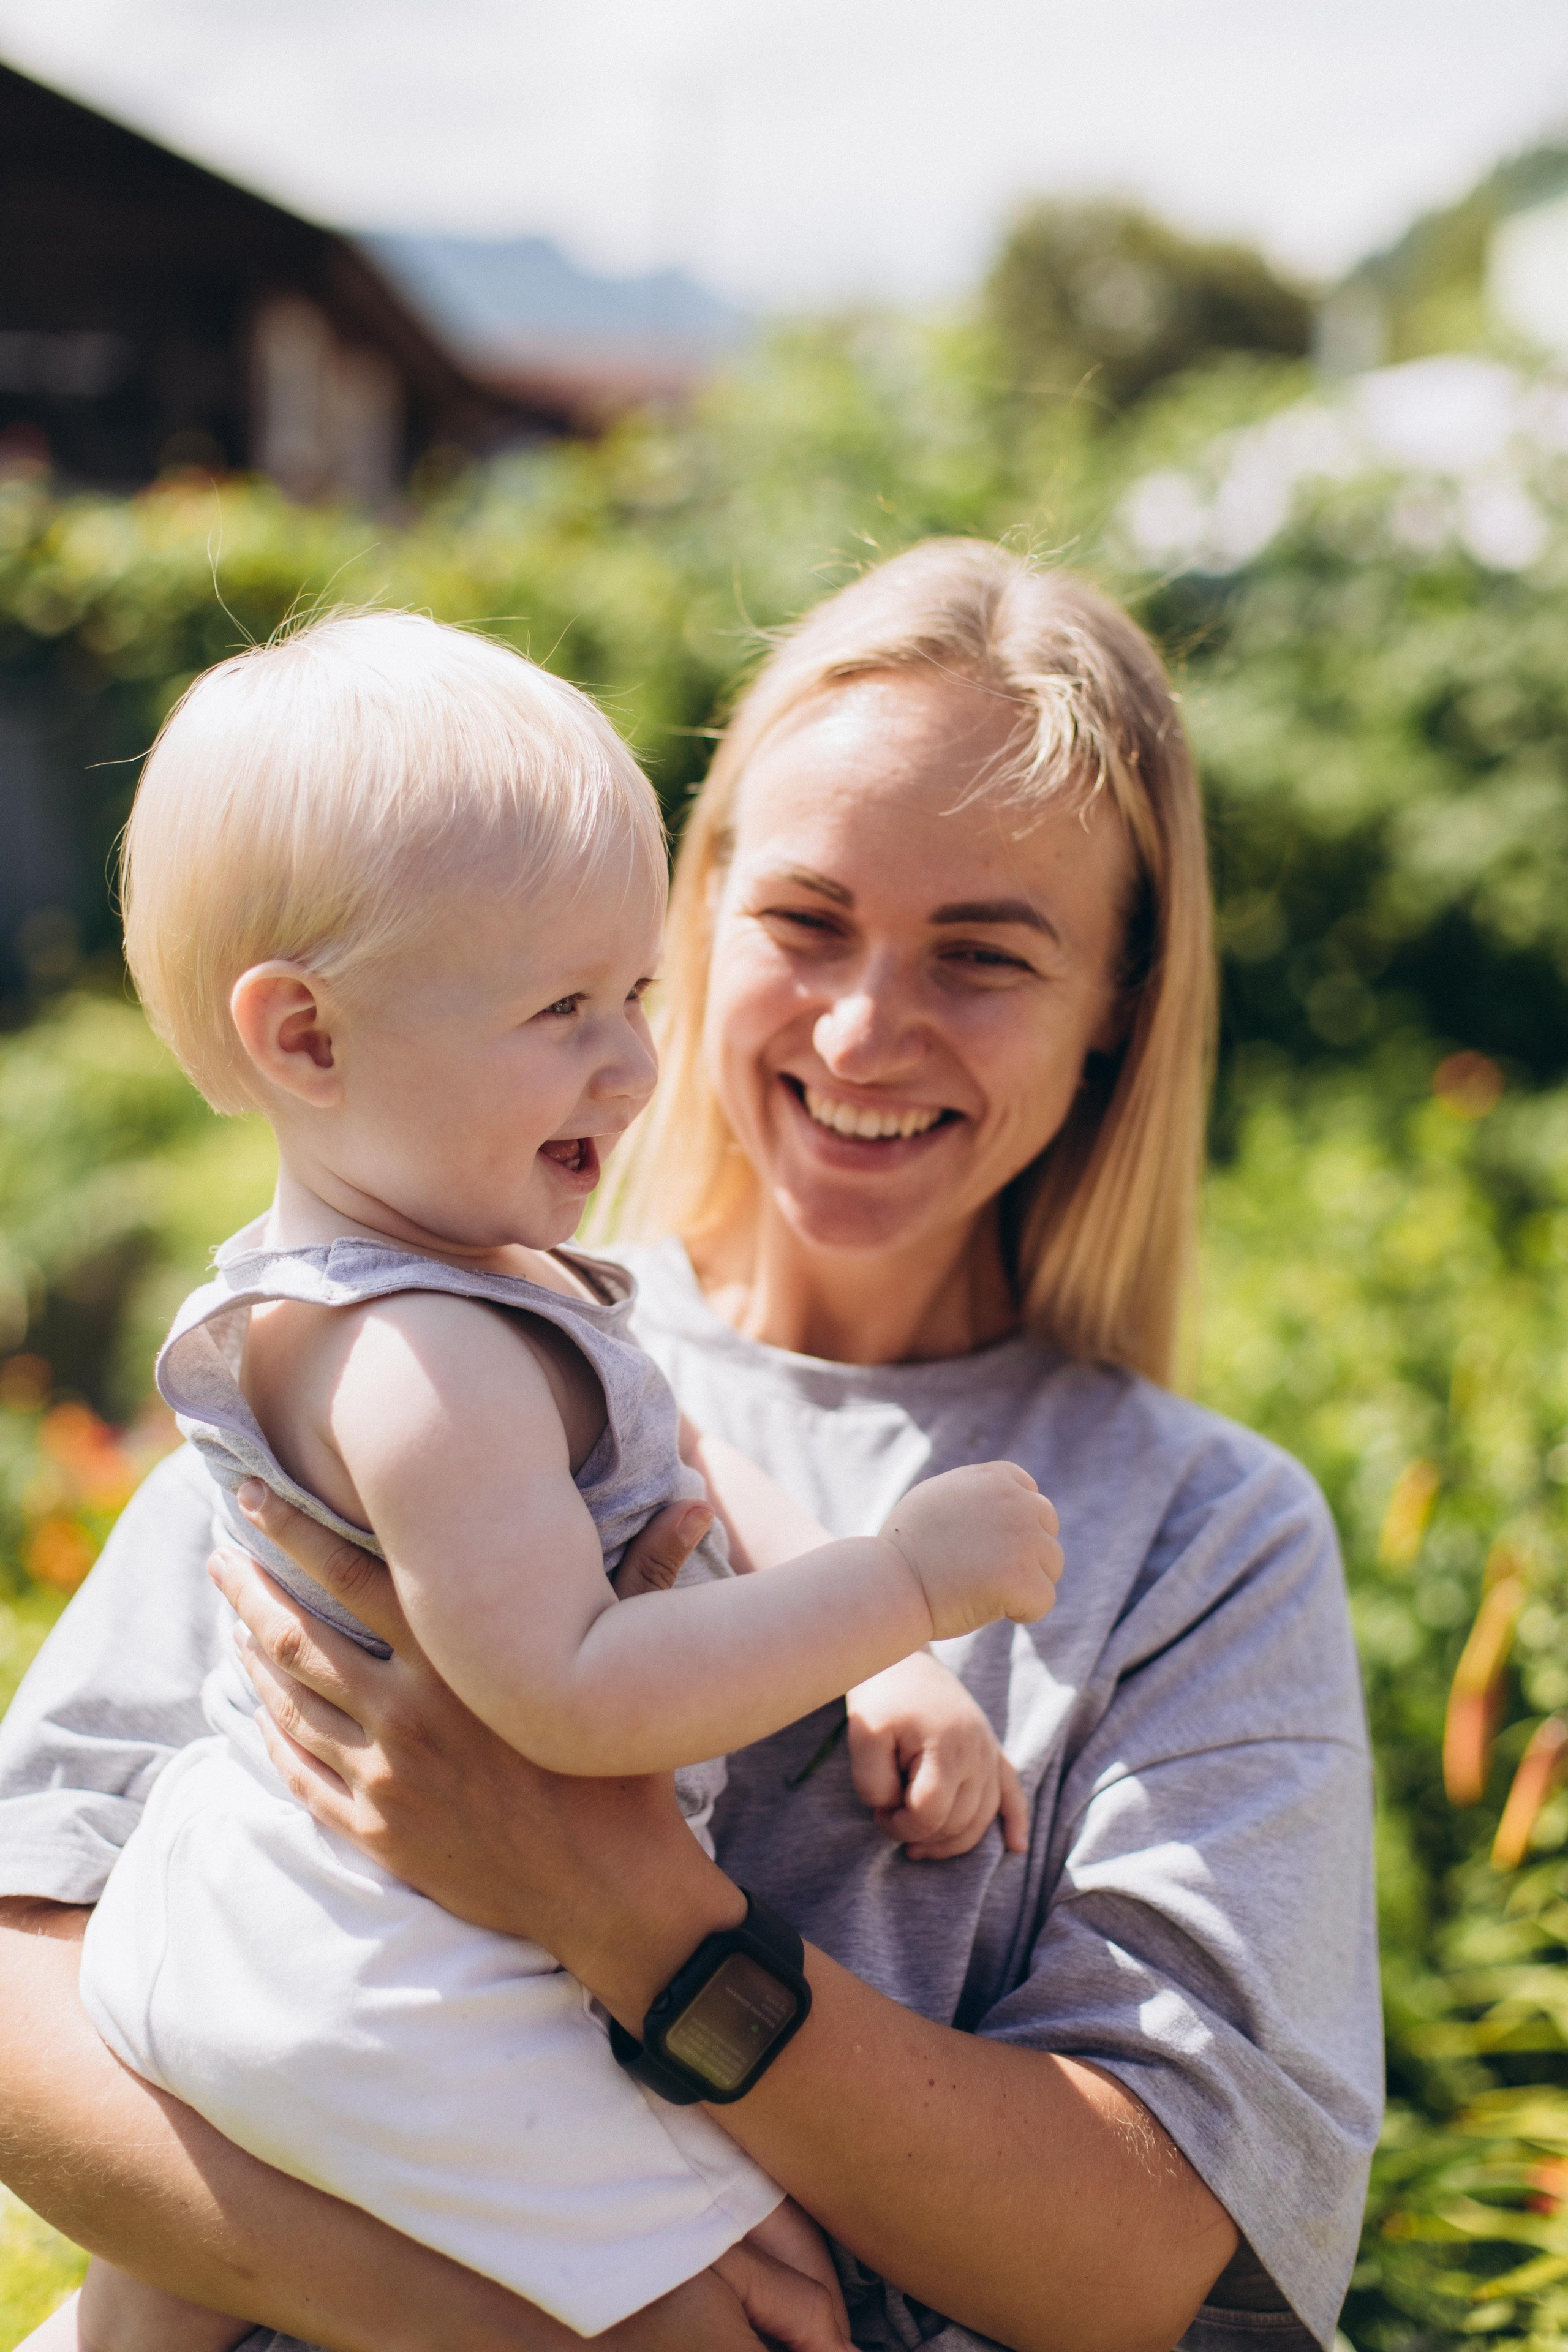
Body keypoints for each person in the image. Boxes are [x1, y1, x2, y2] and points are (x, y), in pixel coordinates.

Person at [0, 540, 1382, 2352]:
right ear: (700, 910)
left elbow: (1149, 2263)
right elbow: (28, 1980)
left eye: (983, 955)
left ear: (1119, 1002)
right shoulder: (420, 1347)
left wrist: (629, 1910)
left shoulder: (1200, 1533)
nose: (865, 1031)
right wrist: (508, 2316)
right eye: (805, 920)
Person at [66, 612, 1060, 2352]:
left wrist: (886, 1666)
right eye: (561, 1010)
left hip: (259, 1941)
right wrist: (902, 1587)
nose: (633, 1064)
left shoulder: (456, 1287)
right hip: (388, 1982)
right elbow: (575, 1700)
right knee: (754, 2306)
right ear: (307, 1039)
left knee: (155, 2308)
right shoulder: (418, 1365)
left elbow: (693, 1458)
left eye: (636, 997)